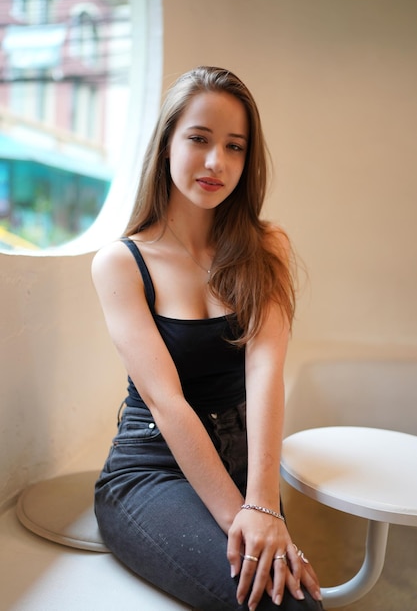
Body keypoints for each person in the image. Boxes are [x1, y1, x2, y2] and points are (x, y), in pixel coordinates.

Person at [92, 66, 324, 611]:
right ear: (167, 142)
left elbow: (265, 371)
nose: (217, 162)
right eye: (198, 138)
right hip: (152, 467)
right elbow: (165, 401)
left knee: (297, 600)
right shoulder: (121, 263)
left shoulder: (267, 246)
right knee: (280, 604)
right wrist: (241, 518)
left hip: (243, 462)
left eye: (235, 147)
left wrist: (263, 504)